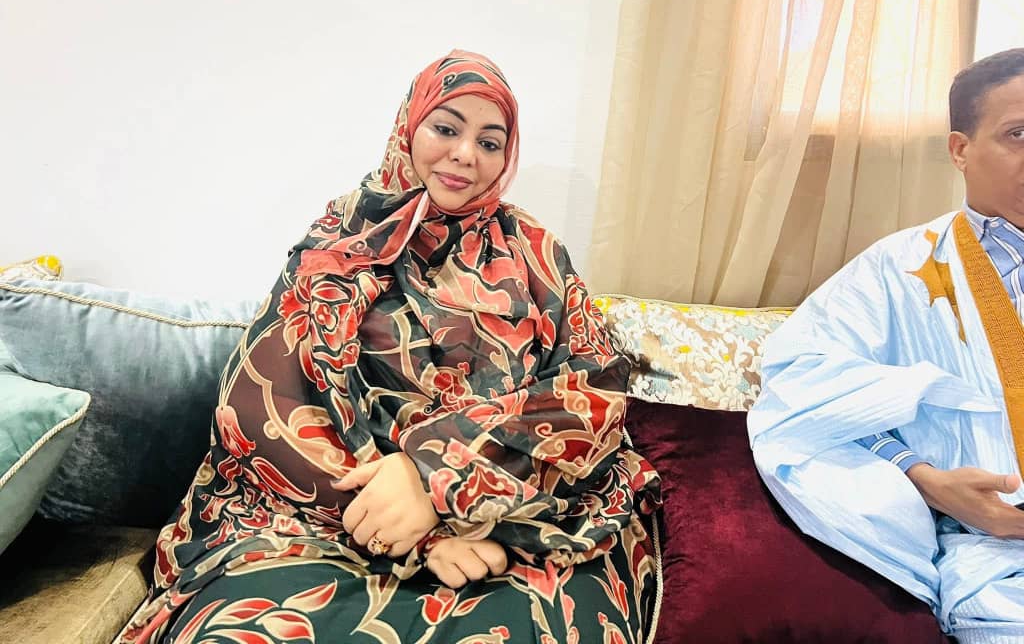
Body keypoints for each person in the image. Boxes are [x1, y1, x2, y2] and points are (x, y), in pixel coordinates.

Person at [116, 50, 662, 644]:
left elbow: (592, 391)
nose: (465, 154)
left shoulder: (535, 253)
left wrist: (437, 480)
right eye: (446, 128)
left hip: (509, 523)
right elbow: (257, 403)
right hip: (325, 521)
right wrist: (408, 524)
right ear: (409, 127)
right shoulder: (341, 239)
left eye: (489, 141)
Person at [749, 47, 1024, 643]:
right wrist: (926, 480)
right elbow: (800, 389)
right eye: (1018, 134)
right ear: (960, 150)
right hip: (998, 565)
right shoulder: (896, 270)